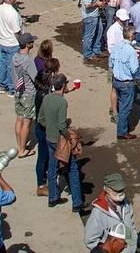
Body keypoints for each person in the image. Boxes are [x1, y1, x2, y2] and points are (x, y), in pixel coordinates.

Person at [37, 73, 83, 211]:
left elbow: (41, 119)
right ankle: (77, 203)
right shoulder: (62, 102)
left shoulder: (47, 98)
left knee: (52, 168)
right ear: (63, 86)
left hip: (49, 138)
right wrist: (69, 136)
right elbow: (62, 125)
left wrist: (50, 127)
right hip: (60, 141)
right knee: (72, 169)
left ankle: (53, 197)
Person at [83, 173, 137, 253]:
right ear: (107, 190)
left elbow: (131, 225)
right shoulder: (98, 213)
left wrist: (132, 246)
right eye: (117, 190)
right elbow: (90, 240)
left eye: (122, 189)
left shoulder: (126, 202)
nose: (120, 192)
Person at [109, 24, 140, 141]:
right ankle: (122, 132)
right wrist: (139, 58)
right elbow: (134, 69)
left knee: (122, 104)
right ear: (132, 36)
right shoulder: (131, 51)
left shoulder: (116, 47)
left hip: (116, 80)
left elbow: (111, 63)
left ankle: (123, 126)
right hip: (126, 82)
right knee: (125, 108)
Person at [12, 32, 37, 158]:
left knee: (19, 119)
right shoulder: (28, 61)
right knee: (27, 122)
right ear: (28, 44)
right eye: (31, 41)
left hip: (18, 92)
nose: (33, 43)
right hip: (28, 93)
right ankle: (22, 150)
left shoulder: (15, 57)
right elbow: (35, 78)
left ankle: (20, 145)